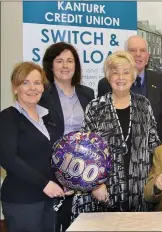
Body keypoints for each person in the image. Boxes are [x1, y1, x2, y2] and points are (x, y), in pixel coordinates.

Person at [71, 51, 161, 218]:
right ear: (108, 76)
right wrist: (96, 184)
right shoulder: (95, 107)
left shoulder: (143, 105)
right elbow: (85, 151)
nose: (121, 77)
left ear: (133, 76)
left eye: (126, 72)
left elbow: (154, 144)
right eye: (115, 72)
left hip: (138, 190)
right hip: (105, 191)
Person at [0, 62, 65, 232]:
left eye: (37, 83)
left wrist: (64, 182)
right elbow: (8, 158)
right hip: (22, 200)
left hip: (49, 199)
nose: (32, 88)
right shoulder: (7, 118)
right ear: (15, 88)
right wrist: (45, 184)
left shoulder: (49, 118)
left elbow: (55, 155)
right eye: (25, 83)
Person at [38, 42, 94, 232]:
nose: (65, 66)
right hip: (52, 169)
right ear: (50, 65)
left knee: (78, 223)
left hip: (82, 170)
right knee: (54, 222)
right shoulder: (42, 94)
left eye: (70, 61)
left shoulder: (87, 94)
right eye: (59, 61)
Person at [98, 35, 162, 143]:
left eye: (142, 50)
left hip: (153, 152)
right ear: (125, 55)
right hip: (119, 152)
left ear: (147, 56)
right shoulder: (106, 83)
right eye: (133, 50)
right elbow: (102, 121)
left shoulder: (161, 81)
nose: (138, 54)